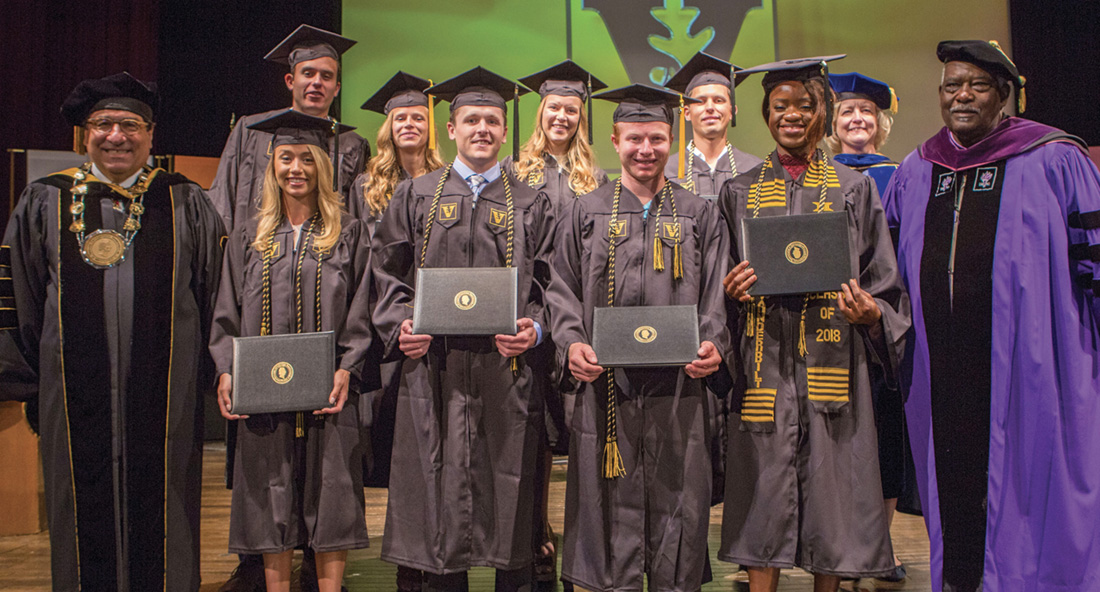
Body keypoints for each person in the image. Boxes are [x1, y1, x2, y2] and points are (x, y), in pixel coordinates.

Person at [881, 40, 1100, 592]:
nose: (962, 96)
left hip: (1037, 361)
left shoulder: (1054, 157)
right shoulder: (918, 168)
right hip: (940, 367)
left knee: (1035, 476)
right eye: (952, 85)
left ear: (1005, 95)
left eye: (976, 86)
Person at [0, 72, 226, 591]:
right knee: (78, 506)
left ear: (151, 135)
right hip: (72, 391)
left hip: (167, 395)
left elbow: (216, 296)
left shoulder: (183, 201)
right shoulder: (45, 201)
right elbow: (21, 296)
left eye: (129, 124)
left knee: (167, 502)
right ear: (84, 134)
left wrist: (215, 373)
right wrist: (29, 380)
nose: (116, 136)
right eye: (103, 124)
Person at [717, 56, 910, 592]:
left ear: (822, 113)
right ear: (767, 114)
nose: (793, 116)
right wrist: (729, 292)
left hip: (834, 359)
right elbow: (717, 284)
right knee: (763, 477)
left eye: (805, 105)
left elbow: (884, 281)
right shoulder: (739, 190)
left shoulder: (855, 188)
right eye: (781, 106)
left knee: (833, 486)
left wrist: (871, 313)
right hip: (766, 359)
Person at [371, 66, 553, 592]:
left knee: (510, 497)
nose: (482, 129)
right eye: (471, 119)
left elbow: (552, 279)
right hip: (434, 371)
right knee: (434, 496)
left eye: (493, 121)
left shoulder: (531, 201)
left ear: (504, 132)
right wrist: (401, 324)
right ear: (449, 128)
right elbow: (385, 271)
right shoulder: (416, 196)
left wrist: (536, 330)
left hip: (506, 370)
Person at [547, 83, 729, 592]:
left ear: (671, 139)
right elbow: (559, 287)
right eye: (634, 139)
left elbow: (716, 290)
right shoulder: (585, 211)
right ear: (614, 139)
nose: (645, 149)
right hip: (607, 388)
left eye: (655, 138)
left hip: (679, 390)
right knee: (606, 509)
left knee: (679, 501)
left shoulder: (699, 213)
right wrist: (571, 343)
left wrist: (713, 342)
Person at [208, 25, 368, 592]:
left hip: (326, 374)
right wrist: (227, 367)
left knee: (329, 482)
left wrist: (348, 363)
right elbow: (226, 301)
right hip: (264, 373)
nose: (296, 166)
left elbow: (359, 306)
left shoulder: (347, 223)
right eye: (286, 158)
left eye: (328, 75)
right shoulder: (249, 231)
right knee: (267, 482)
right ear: (291, 79)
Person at [506, 59, 610, 590]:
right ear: (540, 113)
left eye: (572, 110)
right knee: (536, 436)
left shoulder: (599, 181)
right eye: (555, 109)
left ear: (581, 119)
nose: (563, 117)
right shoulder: (514, 175)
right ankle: (537, 532)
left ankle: (583, 537)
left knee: (579, 429)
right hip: (529, 318)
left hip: (575, 319)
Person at [352, 71, 446, 592]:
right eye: (400, 117)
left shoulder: (445, 180)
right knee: (391, 442)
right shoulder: (367, 185)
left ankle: (428, 548)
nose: (409, 123)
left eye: (418, 116)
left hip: (435, 324)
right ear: (388, 127)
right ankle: (408, 551)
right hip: (384, 318)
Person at [827, 70, 910, 583]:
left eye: (866, 114)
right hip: (830, 321)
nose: (858, 120)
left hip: (884, 317)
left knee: (887, 435)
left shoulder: (903, 175)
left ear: (881, 123)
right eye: (847, 113)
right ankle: (843, 549)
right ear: (833, 126)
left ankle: (882, 546)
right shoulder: (823, 177)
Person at [208, 24, 369, 233]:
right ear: (290, 81)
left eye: (326, 76)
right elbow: (222, 201)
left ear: (337, 88)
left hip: (324, 259)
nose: (317, 82)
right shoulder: (251, 131)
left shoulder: (352, 144)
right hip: (254, 254)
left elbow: (358, 215)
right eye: (308, 73)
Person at [663, 51, 762, 200]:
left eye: (718, 100)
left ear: (732, 111)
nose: (710, 107)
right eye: (700, 101)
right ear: (686, 112)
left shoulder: (756, 170)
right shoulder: (666, 172)